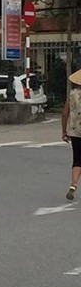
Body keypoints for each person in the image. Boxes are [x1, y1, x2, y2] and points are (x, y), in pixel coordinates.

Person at [61, 69, 81, 200]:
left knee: (77, 160)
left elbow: (64, 114)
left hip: (75, 131)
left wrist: (64, 131)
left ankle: (73, 184)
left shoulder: (72, 95)